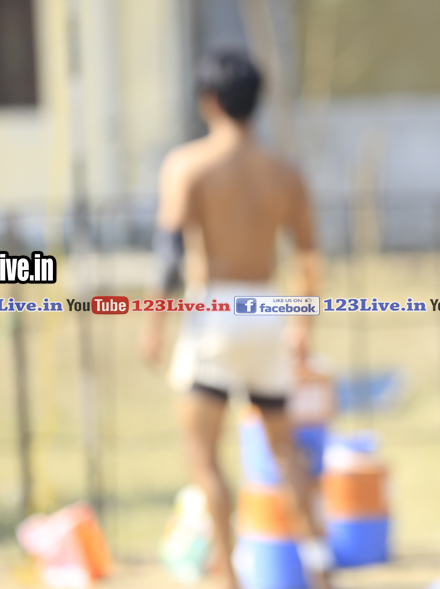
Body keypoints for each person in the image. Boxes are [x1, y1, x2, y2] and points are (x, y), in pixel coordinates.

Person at [139, 49, 330, 589]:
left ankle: (229, 579)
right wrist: (302, 326)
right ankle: (320, 570)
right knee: (285, 452)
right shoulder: (285, 172)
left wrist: (153, 322)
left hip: (214, 313)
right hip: (267, 311)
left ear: (209, 100)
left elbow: (169, 251)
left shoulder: (188, 165)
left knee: (203, 457)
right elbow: (308, 258)